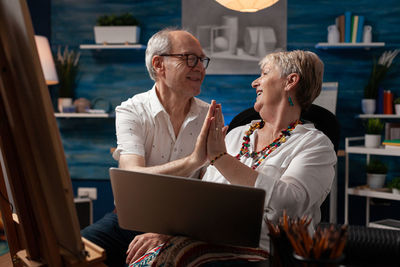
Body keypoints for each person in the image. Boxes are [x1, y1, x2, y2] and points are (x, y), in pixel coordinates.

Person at [128, 50, 337, 266]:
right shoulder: (237, 134)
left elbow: (290, 204)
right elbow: (203, 198)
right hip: (209, 239)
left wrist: (221, 158)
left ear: (290, 81)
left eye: (264, 73)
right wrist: (167, 233)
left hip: (268, 252)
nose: (255, 83)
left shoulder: (316, 144)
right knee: (145, 258)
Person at [81, 28, 214, 267]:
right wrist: (193, 161)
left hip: (185, 226)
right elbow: (131, 177)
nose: (200, 68)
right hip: (129, 221)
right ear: (159, 64)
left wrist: (169, 231)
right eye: (190, 59)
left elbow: (211, 189)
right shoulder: (131, 111)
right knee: (75, 252)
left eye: (202, 60)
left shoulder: (210, 115)